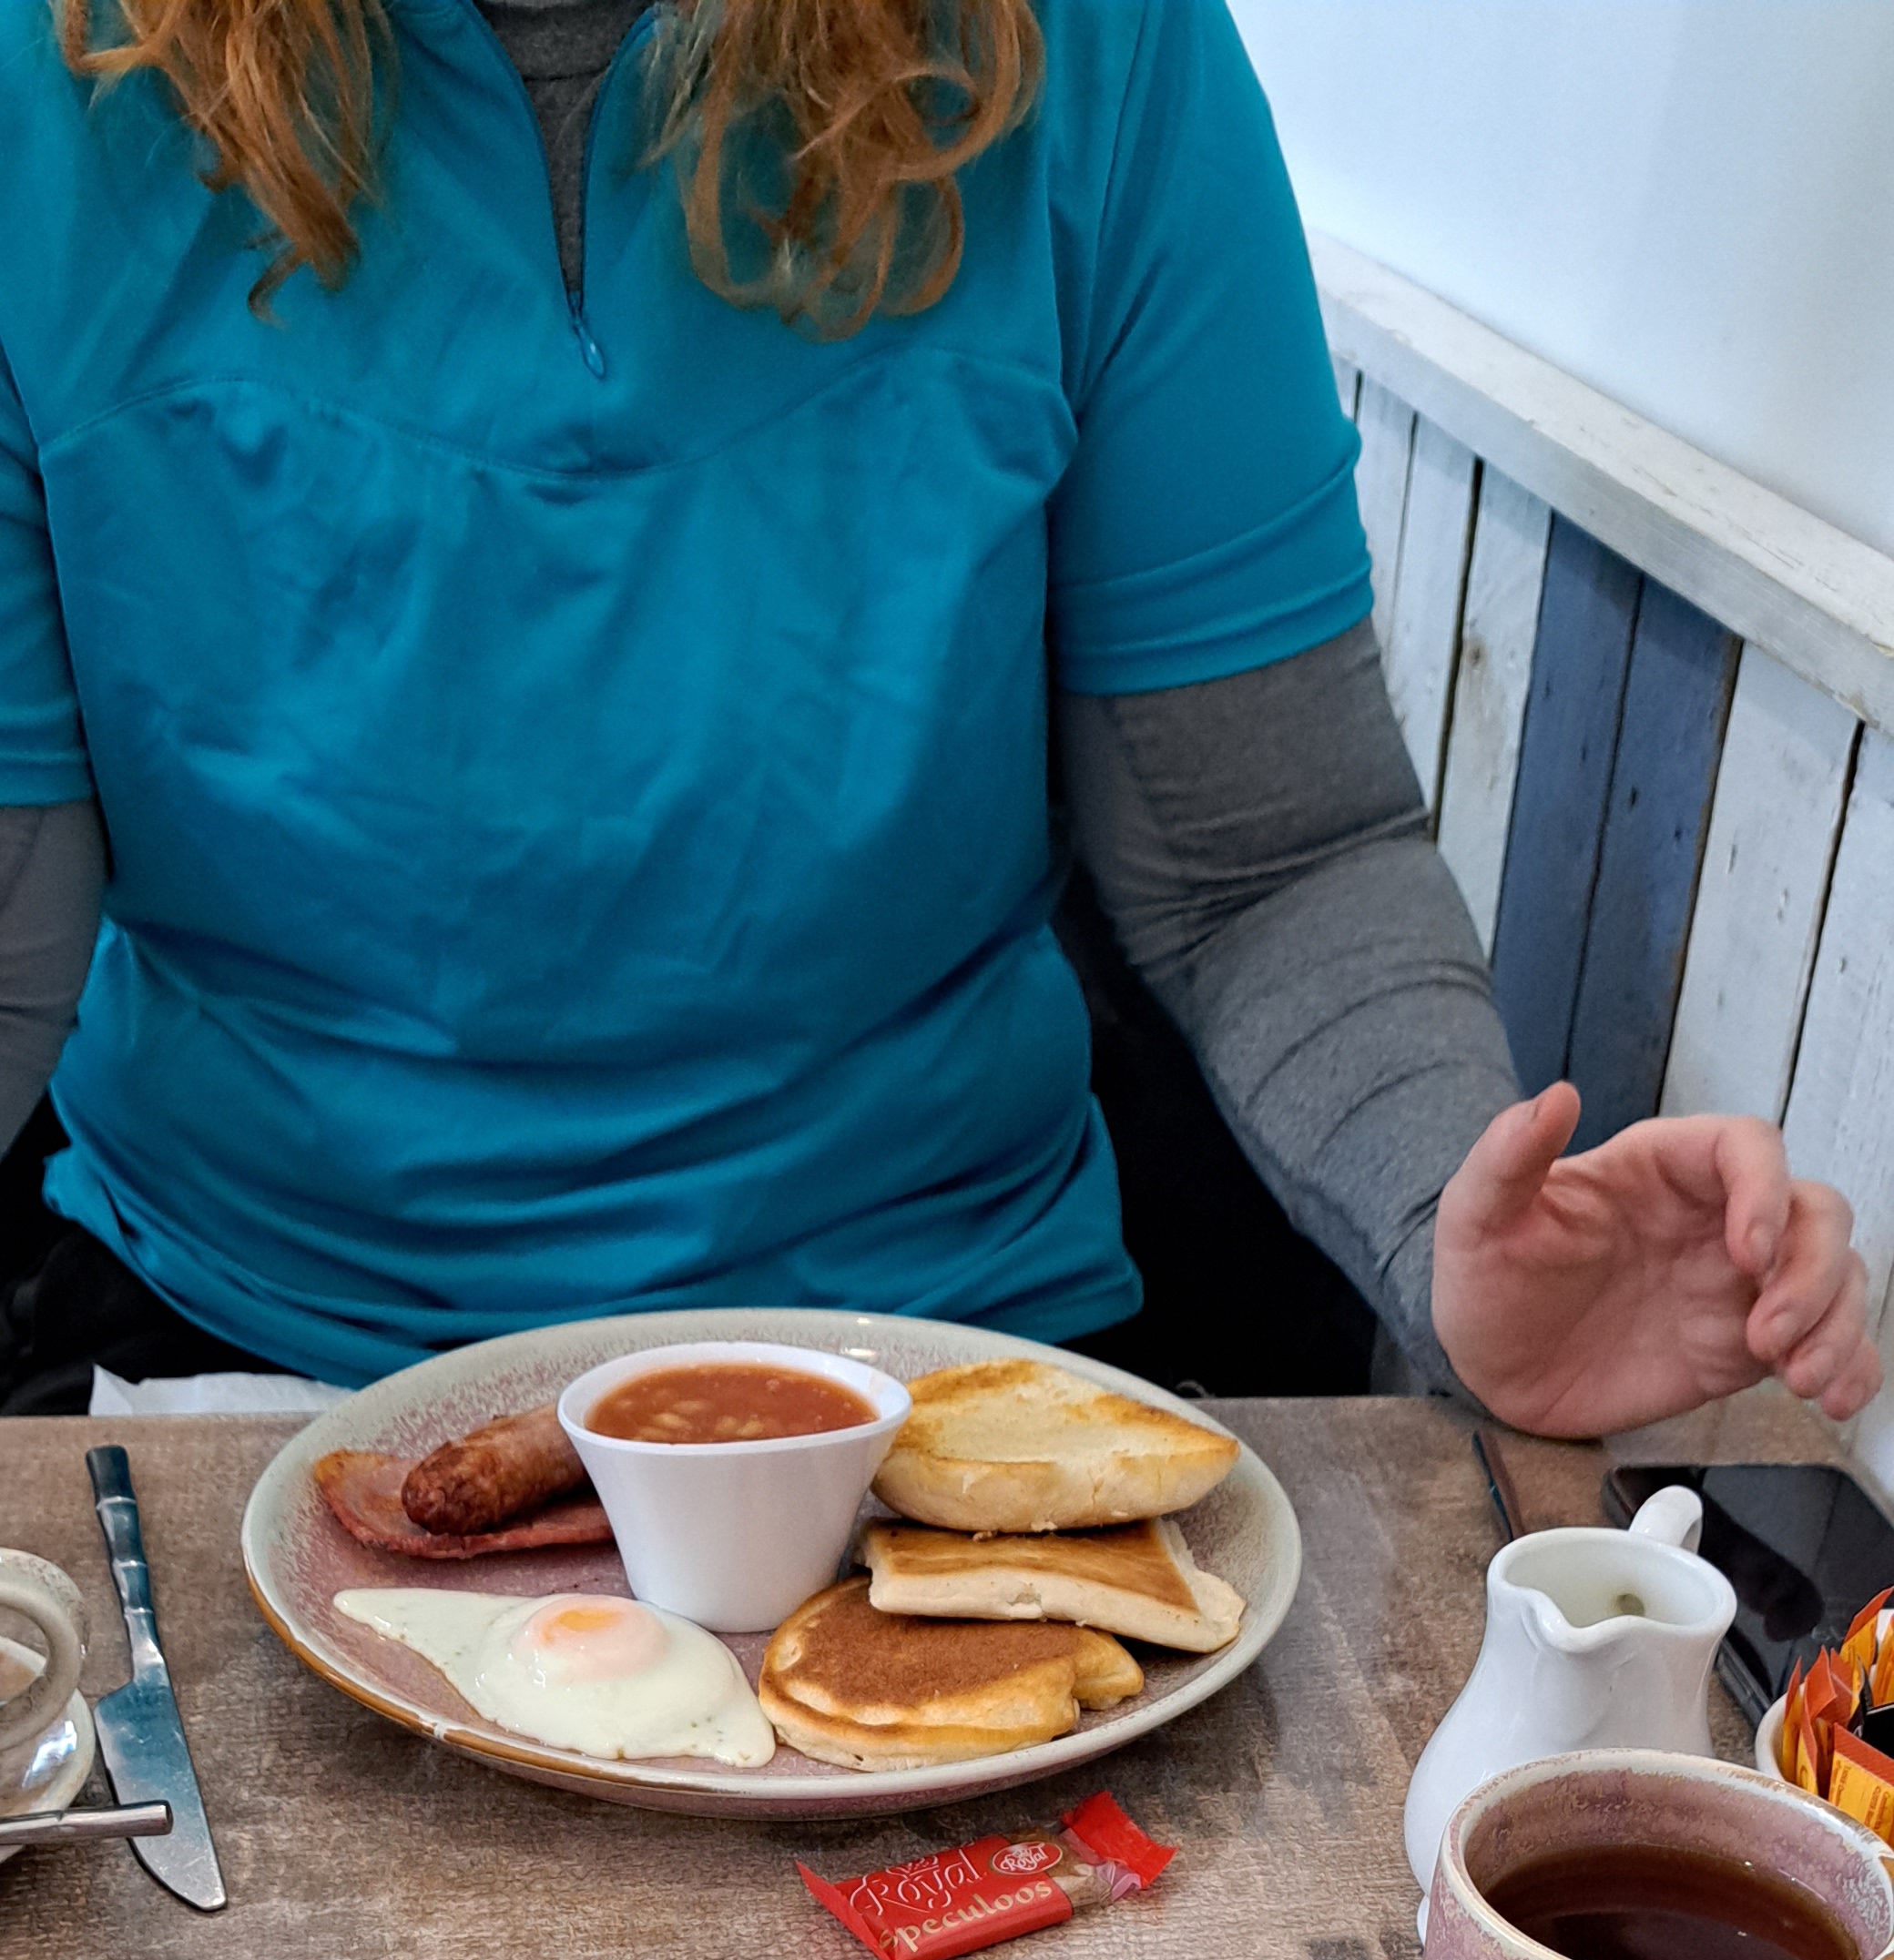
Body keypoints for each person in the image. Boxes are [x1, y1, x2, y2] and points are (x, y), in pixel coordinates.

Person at [0, 0, 1877, 1434]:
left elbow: (1267, 860)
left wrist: (1449, 1222)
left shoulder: (1092, 51)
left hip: (936, 1358)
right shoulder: (44, 76)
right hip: (242, 1342)